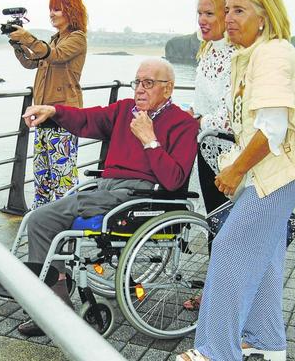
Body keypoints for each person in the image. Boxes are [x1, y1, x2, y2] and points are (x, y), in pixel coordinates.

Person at [177, 0, 295, 361]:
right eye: (227, 10)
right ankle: (265, 341)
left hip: (280, 169)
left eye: (239, 11)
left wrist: (233, 171)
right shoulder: (254, 54)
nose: (229, 18)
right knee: (266, 253)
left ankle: (216, 350)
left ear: (264, 17)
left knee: (230, 247)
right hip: (281, 168)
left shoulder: (272, 55)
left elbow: (272, 128)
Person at [17, 58, 199, 337]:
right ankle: (56, 296)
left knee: (45, 218)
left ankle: (49, 303)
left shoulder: (183, 124)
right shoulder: (125, 110)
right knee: (43, 219)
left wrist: (149, 140)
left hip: (142, 194)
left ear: (168, 88)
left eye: (148, 83)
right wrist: (54, 110)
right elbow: (88, 118)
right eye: (137, 82)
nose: (139, 89)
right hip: (108, 186)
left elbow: (174, 179)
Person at [183, 0, 241, 312]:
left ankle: (219, 298)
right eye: (199, 14)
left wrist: (198, 120)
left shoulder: (237, 54)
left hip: (230, 151)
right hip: (206, 148)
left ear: (226, 14)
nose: (202, 20)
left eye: (210, 14)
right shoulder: (207, 52)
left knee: (227, 225)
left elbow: (232, 110)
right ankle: (214, 293)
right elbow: (203, 103)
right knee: (215, 223)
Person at [8, 0, 88, 210]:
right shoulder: (54, 40)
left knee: (63, 180)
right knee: (42, 179)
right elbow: (31, 62)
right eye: (50, 9)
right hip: (43, 116)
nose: (52, 14)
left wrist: (27, 37)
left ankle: (67, 227)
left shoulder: (77, 38)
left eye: (57, 8)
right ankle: (41, 222)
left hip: (64, 117)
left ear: (71, 11)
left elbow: (56, 55)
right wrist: (18, 45)